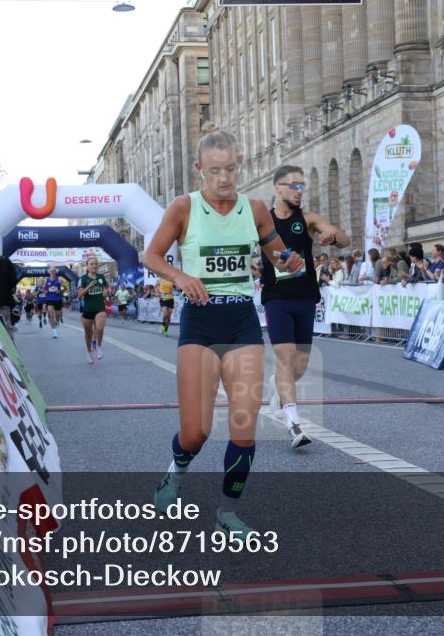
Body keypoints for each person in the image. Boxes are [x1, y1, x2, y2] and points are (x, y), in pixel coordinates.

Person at [142, 123, 303, 538]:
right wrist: (179, 277)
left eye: (230, 169)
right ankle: (177, 467)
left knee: (244, 424)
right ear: (200, 170)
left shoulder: (255, 209)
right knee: (196, 432)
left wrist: (288, 261)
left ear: (240, 165)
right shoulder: (184, 208)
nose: (224, 178)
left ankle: (227, 514)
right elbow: (152, 256)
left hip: (242, 320)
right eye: (214, 171)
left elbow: (276, 251)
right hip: (200, 321)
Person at [261, 164, 349, 449]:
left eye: (302, 187)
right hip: (276, 298)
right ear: (278, 187)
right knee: (285, 358)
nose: (300, 192)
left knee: (298, 367)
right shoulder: (263, 221)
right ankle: (293, 423)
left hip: (305, 298)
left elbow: (345, 239)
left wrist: (331, 237)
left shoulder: (307, 219)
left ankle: (278, 384)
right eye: (294, 186)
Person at [77, 256, 109, 363]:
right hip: (88, 309)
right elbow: (80, 295)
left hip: (100, 308)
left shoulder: (101, 277)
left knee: (99, 328)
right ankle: (88, 353)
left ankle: (98, 347)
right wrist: (88, 287)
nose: (94, 266)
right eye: (91, 264)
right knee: (88, 334)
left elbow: (106, 287)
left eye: (96, 264)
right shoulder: (83, 279)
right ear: (87, 266)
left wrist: (105, 291)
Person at [43, 266, 65, 338]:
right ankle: (54, 332)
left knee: (57, 315)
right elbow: (44, 288)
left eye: (54, 271)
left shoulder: (59, 279)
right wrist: (45, 291)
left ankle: (58, 321)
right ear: (49, 272)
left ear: (56, 272)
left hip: (58, 299)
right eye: (51, 271)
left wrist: (60, 290)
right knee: (51, 314)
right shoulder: (46, 280)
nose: (52, 272)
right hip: (49, 299)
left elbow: (65, 288)